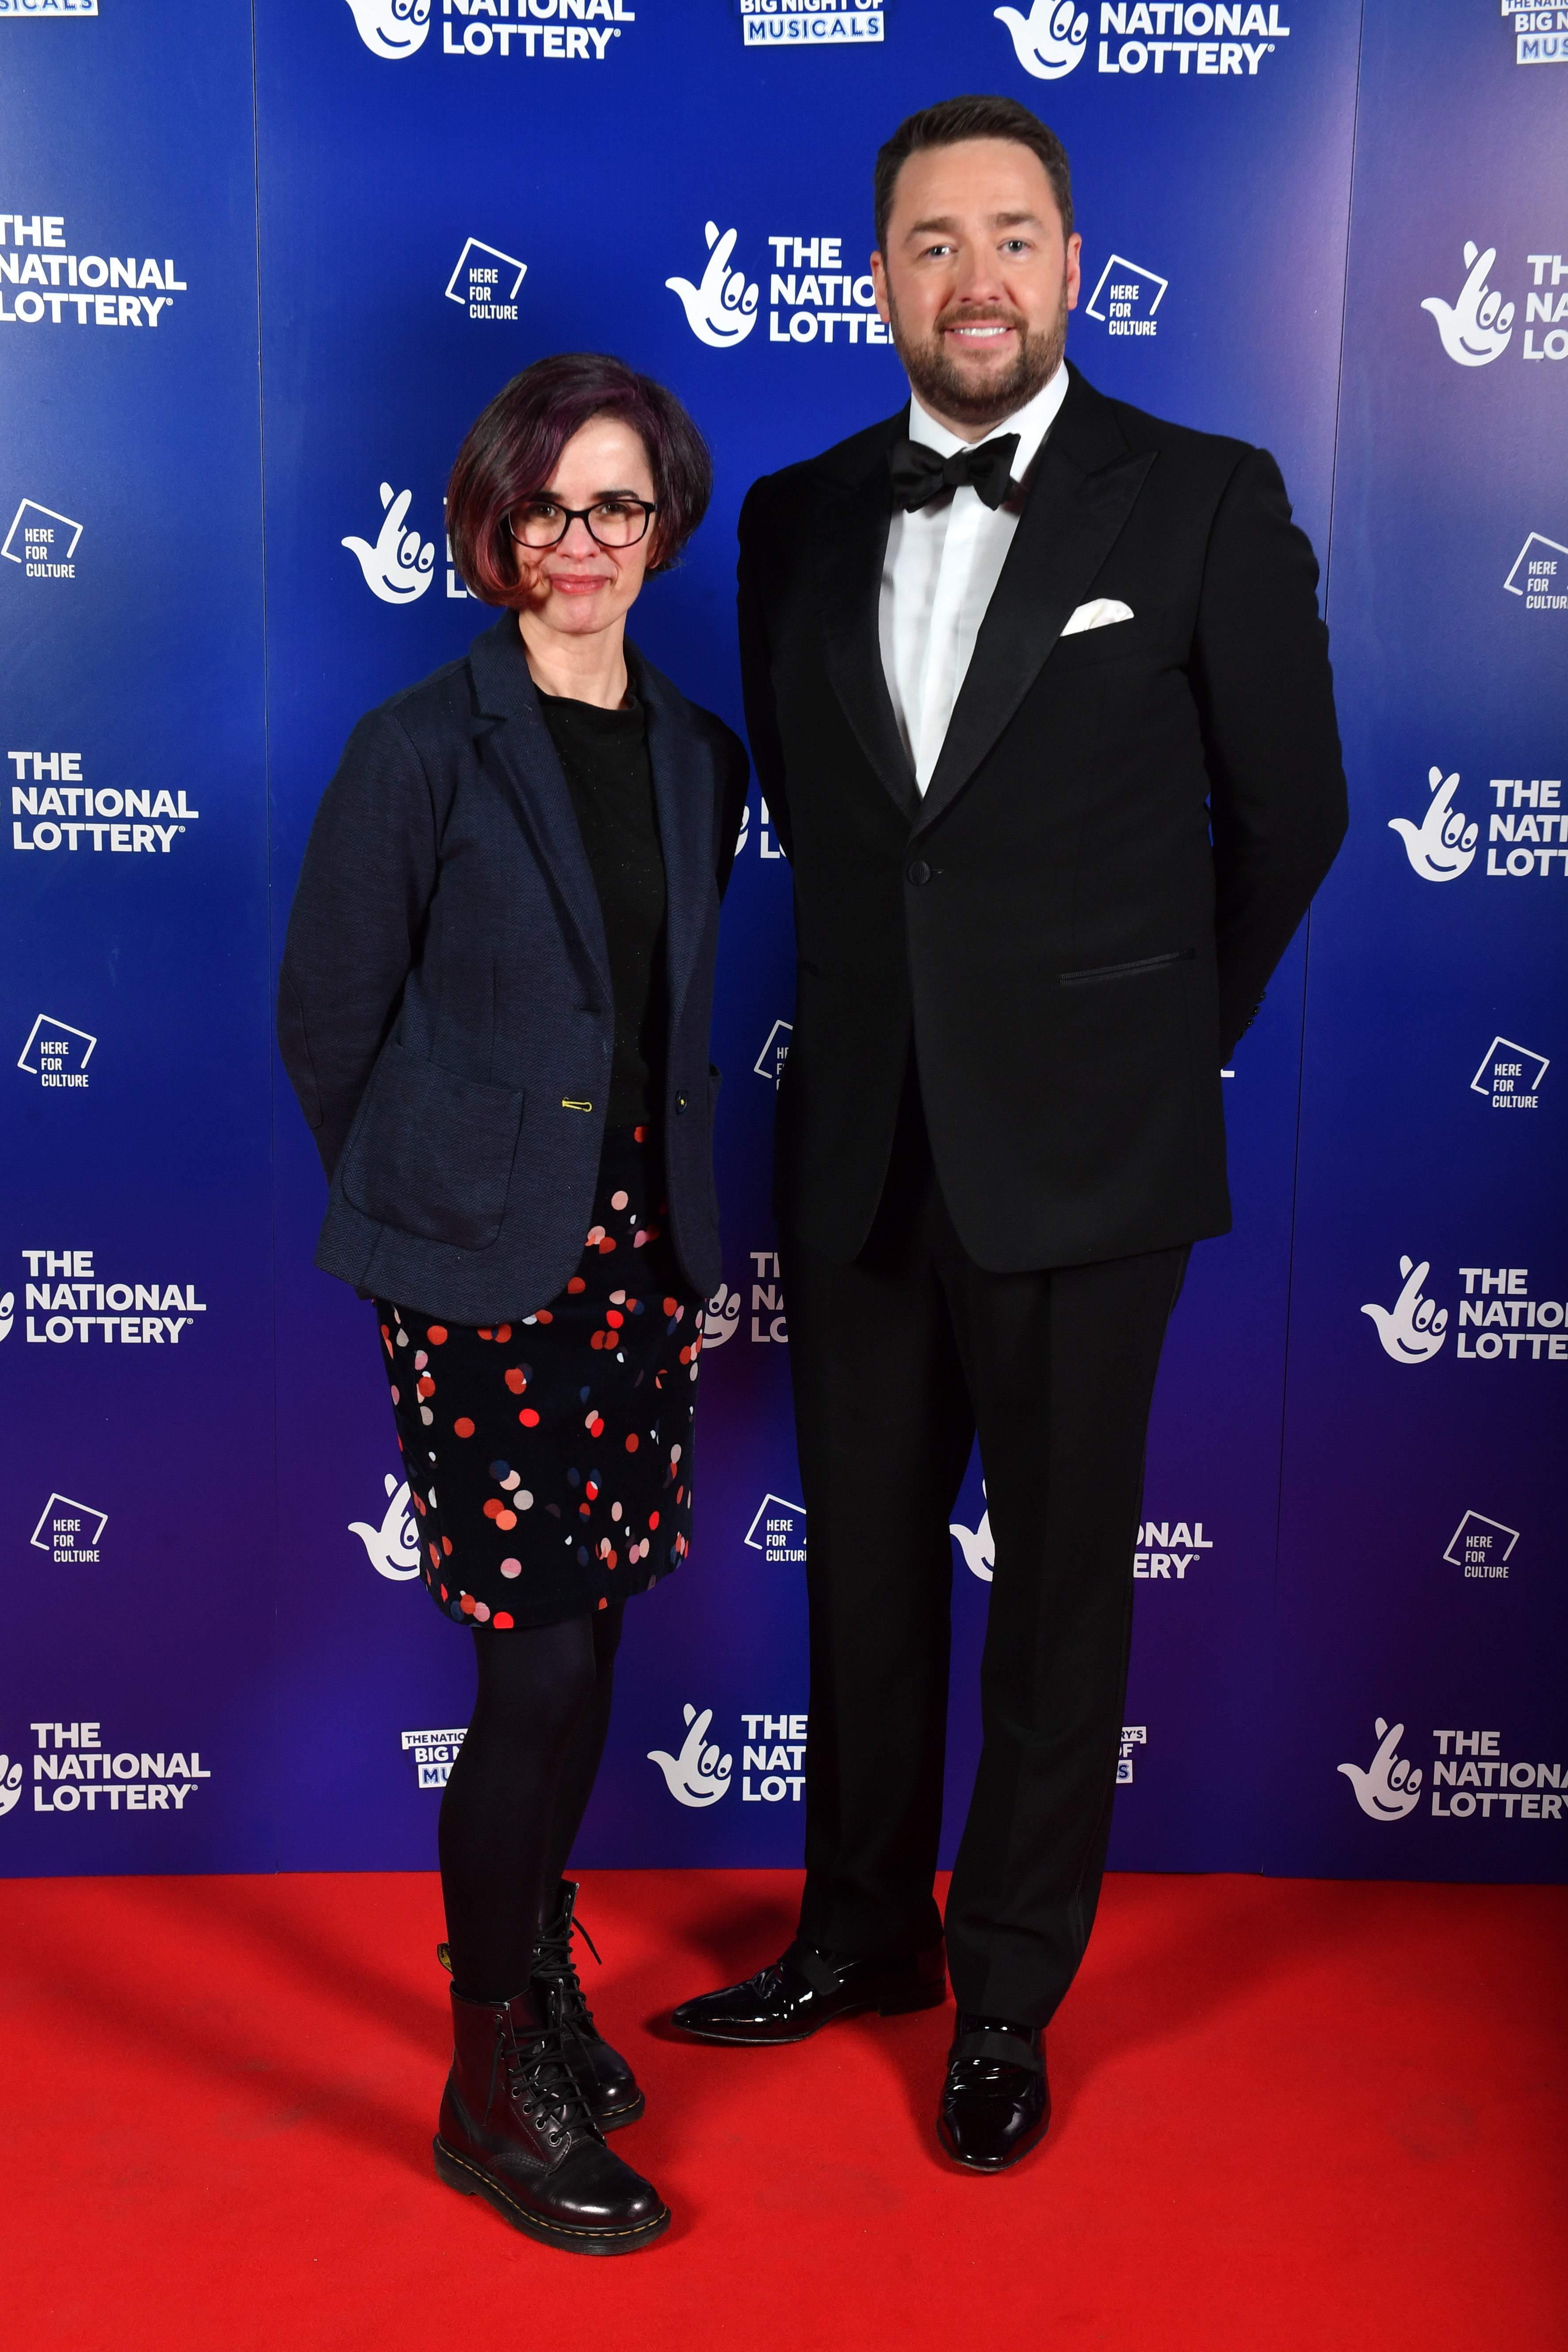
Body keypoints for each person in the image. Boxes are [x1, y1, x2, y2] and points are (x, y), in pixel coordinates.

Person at [671, 96, 1347, 2172]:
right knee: (861, 1577)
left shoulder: (1205, 500)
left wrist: (1146, 1047)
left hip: (1089, 1163)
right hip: (861, 1145)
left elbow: (1291, 818)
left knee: (1058, 1593)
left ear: (1072, 263)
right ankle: (859, 1931)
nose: (973, 279)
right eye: (929, 244)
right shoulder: (788, 516)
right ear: (878, 278)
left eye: (1011, 237)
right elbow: (845, 826)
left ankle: (1006, 1991)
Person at [279, 353, 747, 2252]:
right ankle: (489, 2082)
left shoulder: (699, 754)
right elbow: (330, 1023)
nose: (581, 543)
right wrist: (447, 1223)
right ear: (494, 524)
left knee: (591, 1641)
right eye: (549, 506)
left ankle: (539, 1983)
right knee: (534, 1664)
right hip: (482, 1277)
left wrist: (641, 1232)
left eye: (615, 507)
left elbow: (652, 1028)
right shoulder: (418, 746)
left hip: (642, 1255)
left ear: (661, 529)